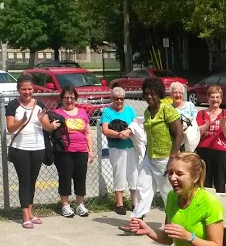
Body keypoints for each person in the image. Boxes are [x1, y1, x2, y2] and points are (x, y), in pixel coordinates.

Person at [130, 77, 183, 222]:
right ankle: (137, 220)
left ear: (159, 93)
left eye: (152, 93)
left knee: (168, 192)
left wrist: (172, 158)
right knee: (142, 187)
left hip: (165, 158)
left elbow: (179, 134)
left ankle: (175, 221)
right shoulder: (147, 112)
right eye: (146, 93)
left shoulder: (167, 110)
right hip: (150, 157)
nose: (149, 96)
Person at [41, 87, 93, 217]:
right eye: (66, 97)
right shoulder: (57, 113)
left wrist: (90, 150)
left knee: (80, 177)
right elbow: (47, 127)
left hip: (81, 150)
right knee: (65, 177)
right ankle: (65, 205)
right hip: (64, 151)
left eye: (72, 97)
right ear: (62, 99)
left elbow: (87, 133)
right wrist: (51, 125)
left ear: (76, 99)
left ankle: (80, 204)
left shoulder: (82, 113)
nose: (69, 100)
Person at [6, 74, 48, 229]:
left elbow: (48, 127)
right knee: (24, 181)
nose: (27, 92)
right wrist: (21, 121)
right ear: (18, 90)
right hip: (20, 148)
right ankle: (25, 216)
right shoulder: (13, 105)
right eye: (23, 89)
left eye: (30, 89)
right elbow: (10, 129)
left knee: (32, 181)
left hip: (38, 148)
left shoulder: (40, 104)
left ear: (33, 89)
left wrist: (44, 120)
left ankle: (30, 213)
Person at [101, 87, 140, 215]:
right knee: (119, 174)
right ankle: (120, 203)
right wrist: (119, 135)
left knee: (133, 174)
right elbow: (105, 130)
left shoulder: (130, 110)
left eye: (121, 98)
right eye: (116, 98)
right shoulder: (107, 112)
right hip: (116, 148)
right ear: (111, 99)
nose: (119, 101)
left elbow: (135, 125)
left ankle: (135, 203)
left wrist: (128, 131)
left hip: (131, 147)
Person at [196, 85, 226, 192]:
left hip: (221, 151)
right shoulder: (201, 114)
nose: (215, 100)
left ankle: (220, 205)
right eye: (212, 97)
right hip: (204, 150)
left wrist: (224, 125)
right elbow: (198, 132)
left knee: (220, 181)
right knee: (204, 181)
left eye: (218, 97)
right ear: (208, 98)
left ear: (221, 99)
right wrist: (208, 123)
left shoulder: (225, 114)